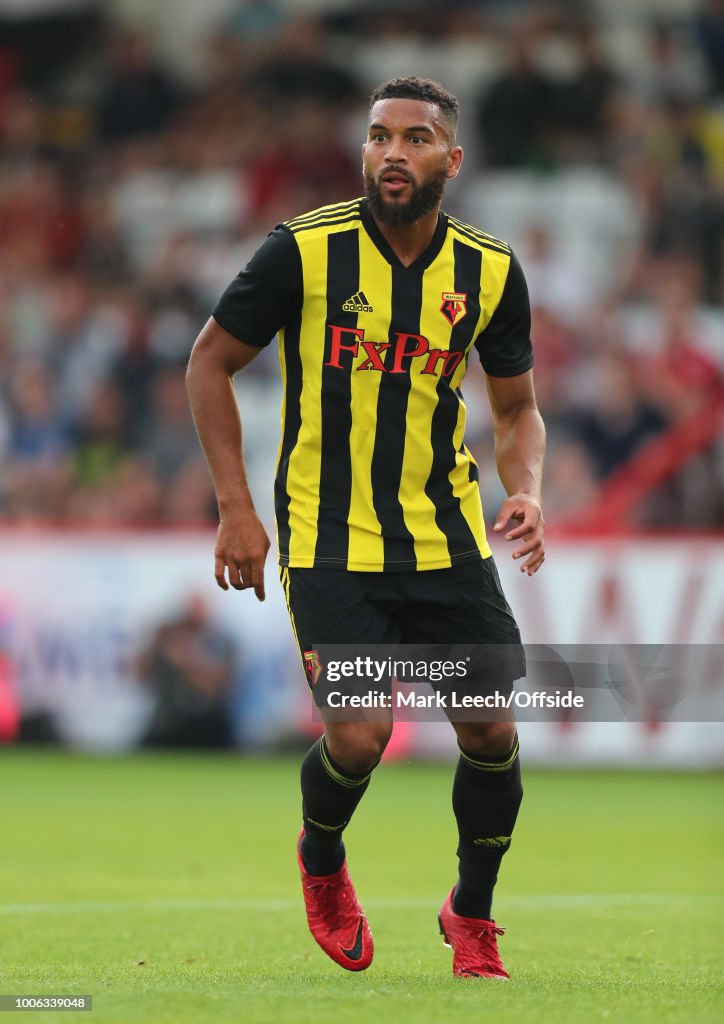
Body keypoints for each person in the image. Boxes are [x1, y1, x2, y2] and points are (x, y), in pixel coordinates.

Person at [186, 76, 545, 979]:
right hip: (326, 536)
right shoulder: (303, 253)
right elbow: (208, 363)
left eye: (416, 138)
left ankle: (470, 913)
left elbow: (516, 410)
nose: (393, 152)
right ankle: (321, 861)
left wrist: (528, 489)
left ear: (450, 161)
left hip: (446, 539)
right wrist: (236, 507)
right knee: (358, 734)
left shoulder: (490, 270)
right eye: (379, 136)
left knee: (492, 732)